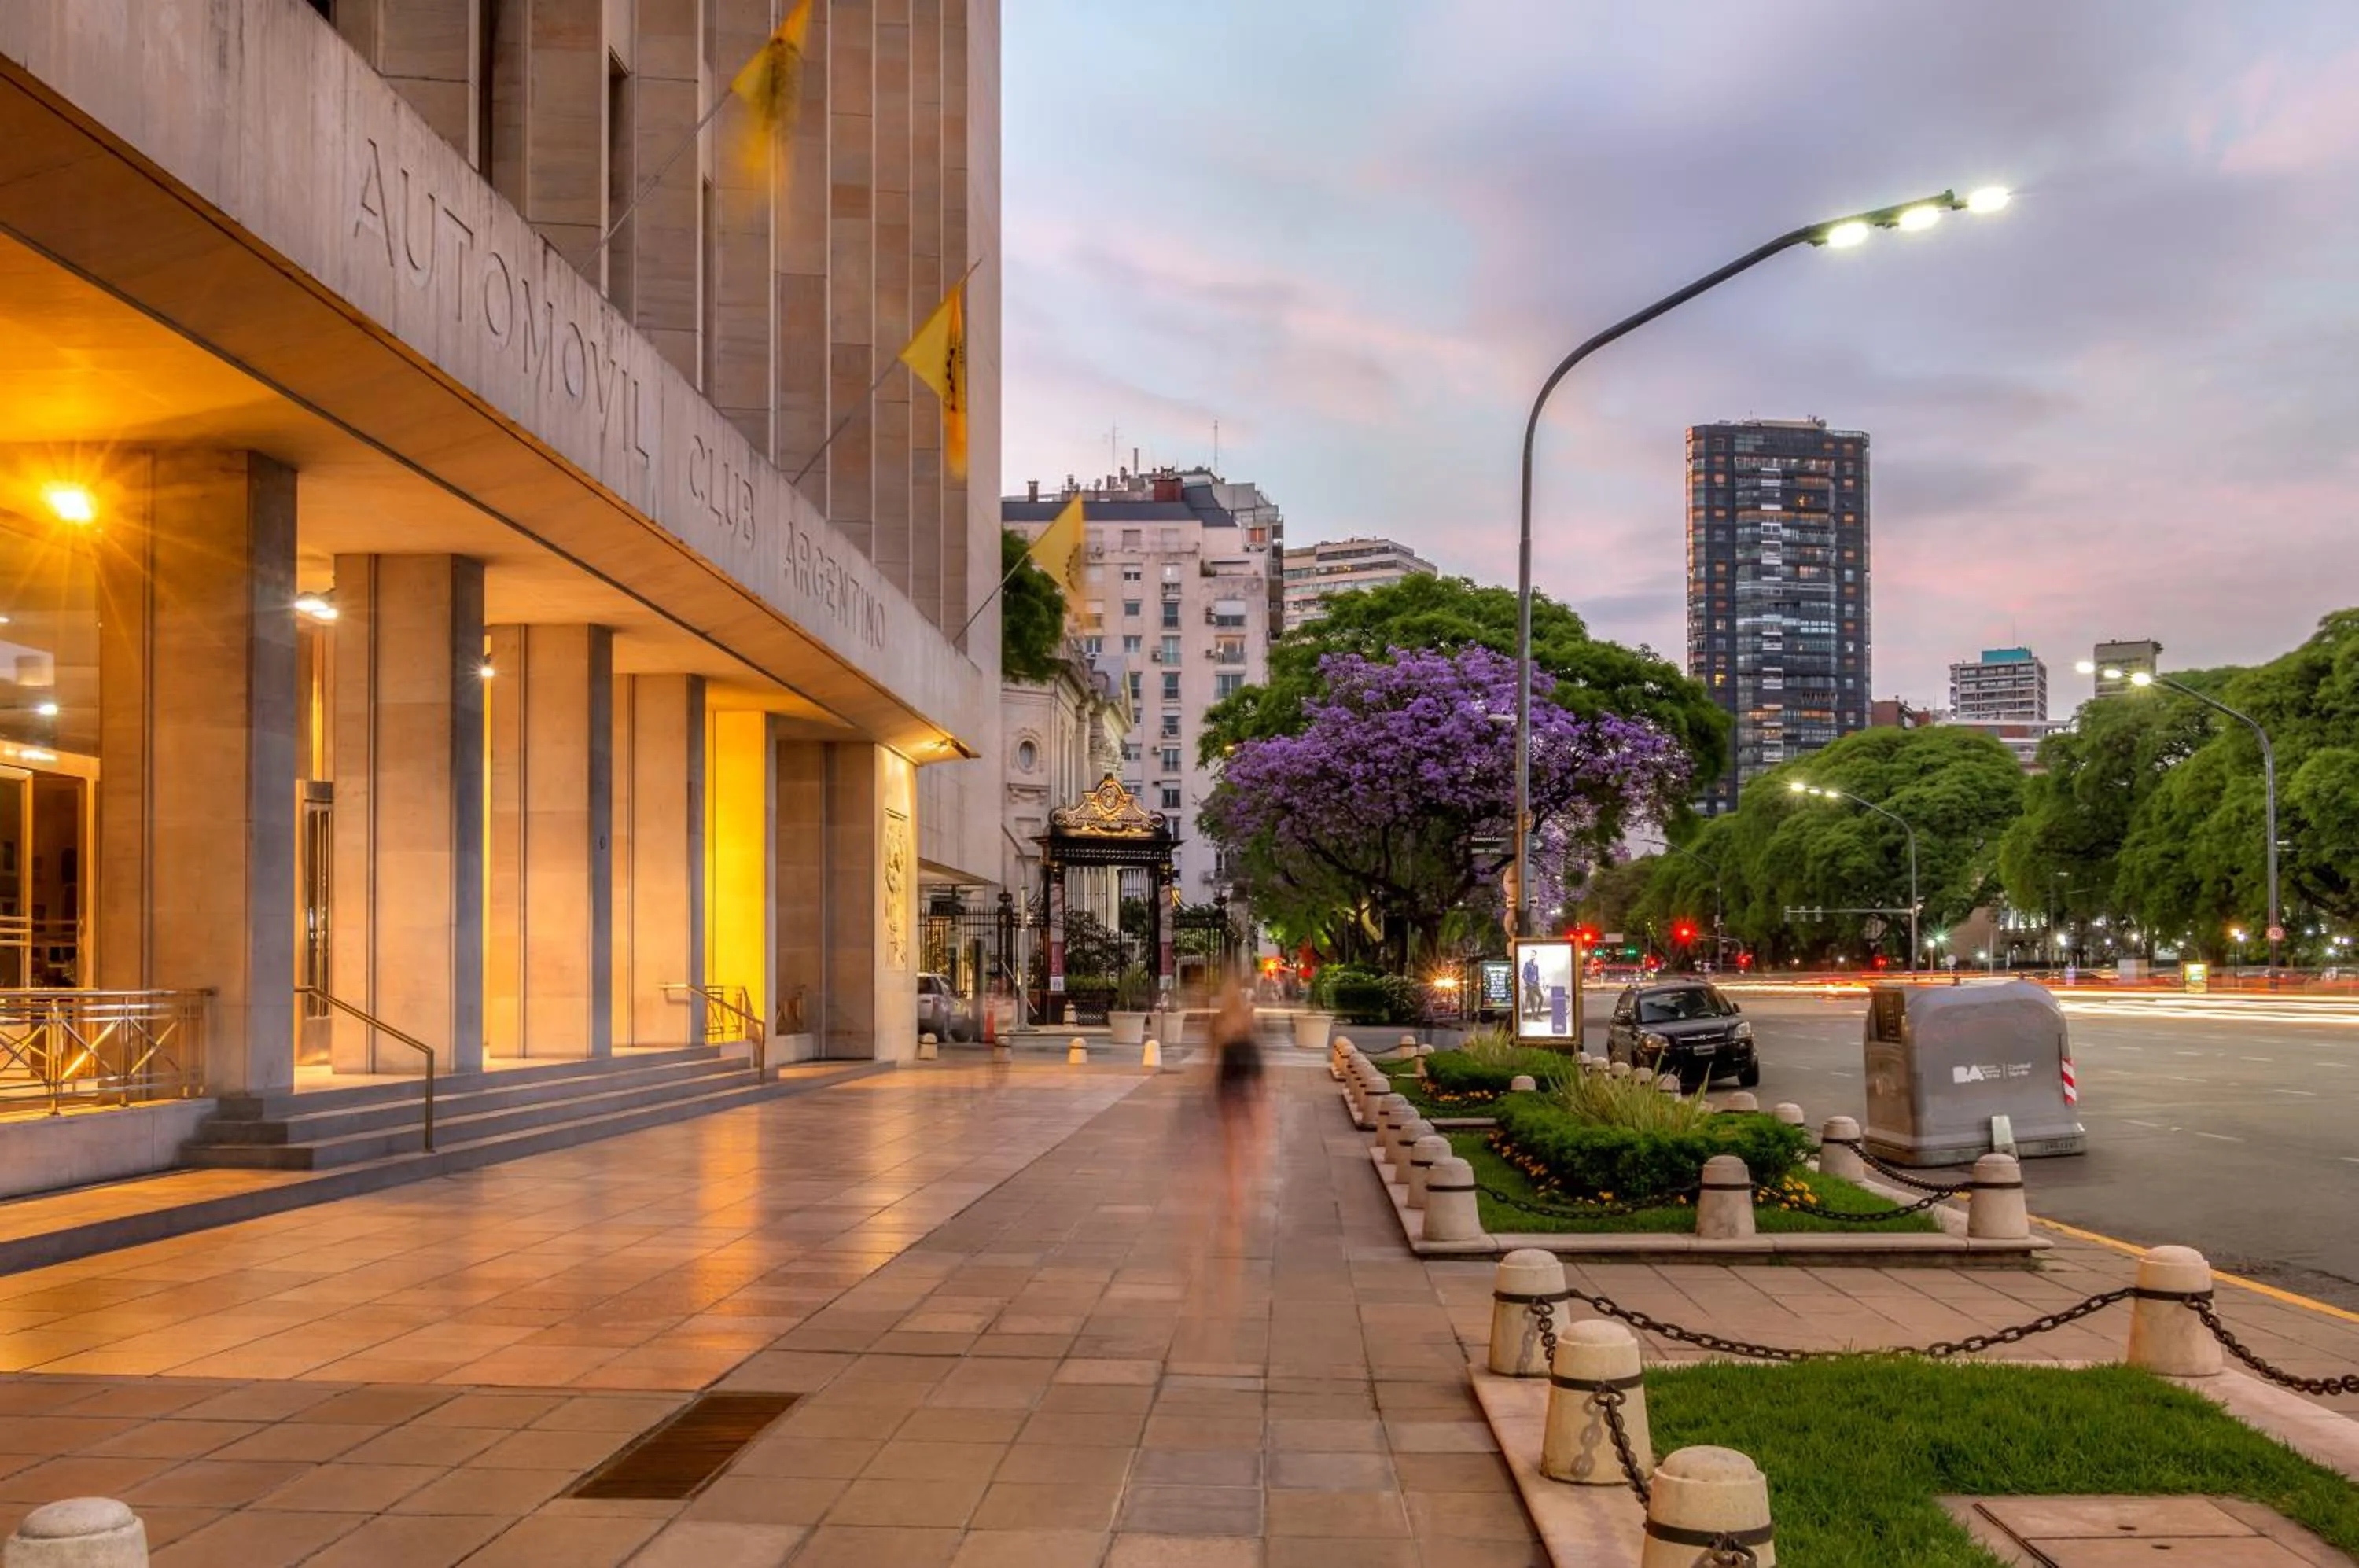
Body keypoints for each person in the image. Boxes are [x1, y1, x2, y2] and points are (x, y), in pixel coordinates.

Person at [1209, 979, 1265, 1216]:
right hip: (1240, 1084)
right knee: (1242, 1135)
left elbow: (1212, 1054)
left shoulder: (1221, 1024)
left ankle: (1236, 1187)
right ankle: (1242, 1177)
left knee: (1232, 1139)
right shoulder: (1243, 1025)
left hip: (1228, 1084)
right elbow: (1257, 1070)